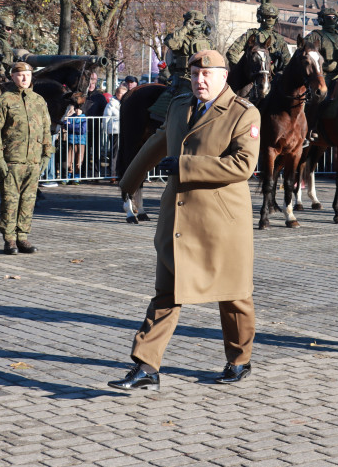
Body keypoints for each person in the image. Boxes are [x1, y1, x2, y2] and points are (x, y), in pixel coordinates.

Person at [111, 49, 261, 391]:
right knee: (167, 292)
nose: (199, 81)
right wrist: (128, 182)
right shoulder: (179, 105)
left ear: (224, 77)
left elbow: (243, 166)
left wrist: (184, 166)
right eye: (195, 75)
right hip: (178, 219)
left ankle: (239, 360)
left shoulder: (244, 113)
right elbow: (159, 141)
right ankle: (146, 365)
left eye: (207, 75)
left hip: (221, 222)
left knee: (234, 295)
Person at [0, 61, 52, 254]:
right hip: (12, 160)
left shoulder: (39, 100)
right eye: (20, 75)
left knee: (28, 200)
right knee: (10, 201)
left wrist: (46, 154)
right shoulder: (4, 100)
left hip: (33, 160)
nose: (25, 78)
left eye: (28, 75)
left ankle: (22, 236)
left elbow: (46, 129)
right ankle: (9, 239)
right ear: (13, 76)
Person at [226, 3, 291, 76]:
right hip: (252, 78)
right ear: (260, 17)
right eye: (268, 16)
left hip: (272, 78)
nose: (270, 19)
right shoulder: (250, 35)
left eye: (273, 17)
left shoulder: (279, 40)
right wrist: (243, 69)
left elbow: (288, 63)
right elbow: (232, 52)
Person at [104, 84, 126, 179]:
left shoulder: (126, 103)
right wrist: (106, 130)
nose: (122, 95)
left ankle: (122, 172)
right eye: (121, 93)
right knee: (115, 152)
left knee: (123, 152)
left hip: (124, 131)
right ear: (116, 94)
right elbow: (106, 118)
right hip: (114, 131)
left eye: (124, 94)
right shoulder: (111, 104)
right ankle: (113, 173)